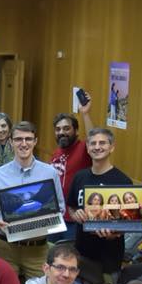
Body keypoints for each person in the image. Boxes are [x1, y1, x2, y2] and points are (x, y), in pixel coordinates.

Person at [0, 121, 65, 280]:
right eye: (18, 139)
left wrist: (48, 217)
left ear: (35, 141)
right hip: (5, 247)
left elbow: (61, 206)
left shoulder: (50, 173)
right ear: (11, 142)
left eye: (28, 139)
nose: (23, 144)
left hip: (37, 249)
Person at [66, 128, 133, 284]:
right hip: (81, 254)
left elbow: (129, 222)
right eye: (93, 143)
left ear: (112, 147)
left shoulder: (123, 181)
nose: (97, 147)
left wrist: (113, 233)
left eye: (102, 143)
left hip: (109, 259)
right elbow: (71, 207)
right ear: (88, 148)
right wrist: (75, 215)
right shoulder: (80, 177)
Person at [49, 100, 94, 240]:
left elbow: (93, 139)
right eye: (58, 129)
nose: (61, 132)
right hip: (55, 217)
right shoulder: (56, 153)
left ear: (76, 131)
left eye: (66, 128)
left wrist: (85, 114)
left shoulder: (84, 149)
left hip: (74, 218)